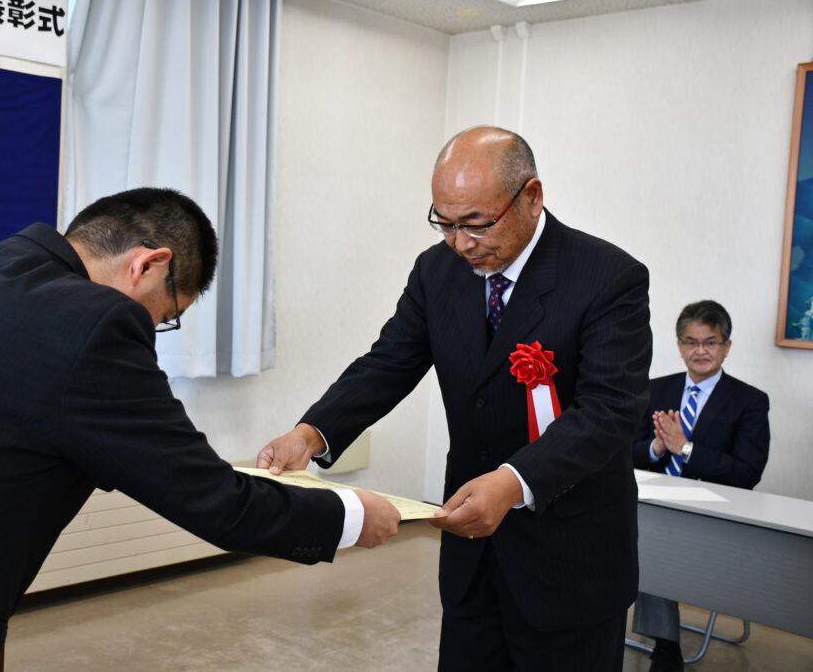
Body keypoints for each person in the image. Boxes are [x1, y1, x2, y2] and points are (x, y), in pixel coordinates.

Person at [0, 188, 401, 671]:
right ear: (149, 264)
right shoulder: (94, 322)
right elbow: (215, 503)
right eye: (167, 316)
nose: (153, 330)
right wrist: (350, 515)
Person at [257, 126, 652, 671]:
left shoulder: (607, 277)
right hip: (471, 552)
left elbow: (608, 410)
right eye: (444, 223)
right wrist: (312, 433)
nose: (460, 243)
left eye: (476, 223)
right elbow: (389, 362)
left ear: (532, 197)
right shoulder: (437, 270)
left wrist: (512, 482)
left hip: (571, 555)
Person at [631, 300, 770, 672]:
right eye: (691, 342)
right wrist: (657, 447)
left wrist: (685, 448)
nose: (700, 351)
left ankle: (665, 648)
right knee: (643, 538)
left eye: (710, 342)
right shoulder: (654, 390)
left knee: (655, 547)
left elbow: (747, 473)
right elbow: (625, 453)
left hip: (712, 512)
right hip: (656, 505)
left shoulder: (751, 401)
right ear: (679, 345)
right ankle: (662, 641)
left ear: (727, 346)